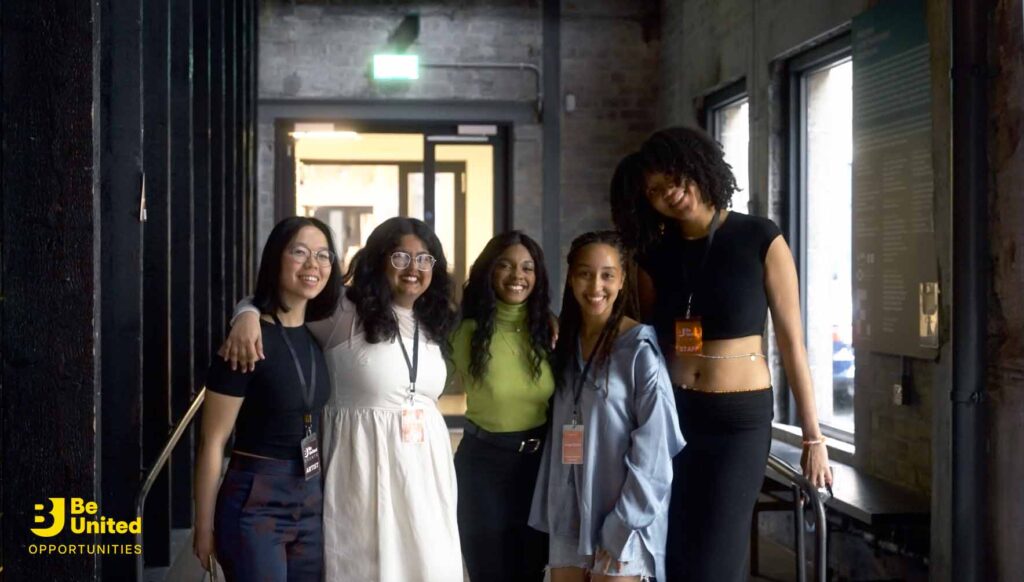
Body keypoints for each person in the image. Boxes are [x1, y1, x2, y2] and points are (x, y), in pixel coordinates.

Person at [611, 127, 834, 582]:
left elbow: (793, 342)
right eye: (654, 190)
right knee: (672, 549)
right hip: (673, 415)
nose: (669, 193)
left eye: (675, 177)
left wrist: (814, 437)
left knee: (717, 558)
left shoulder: (759, 237)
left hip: (738, 422)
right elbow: (646, 341)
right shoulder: (655, 255)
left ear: (699, 168)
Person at [222, 217, 463, 582]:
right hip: (363, 473)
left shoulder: (432, 320)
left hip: (425, 478)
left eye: (425, 259)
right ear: (379, 259)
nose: (413, 269)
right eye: (400, 257)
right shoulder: (345, 312)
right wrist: (247, 313)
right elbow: (285, 305)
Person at [529, 231, 685, 582]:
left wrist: (621, 525)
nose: (595, 285)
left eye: (607, 275)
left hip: (624, 515)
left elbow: (656, 454)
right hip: (569, 513)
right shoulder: (564, 343)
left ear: (622, 280)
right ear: (571, 278)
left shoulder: (640, 352)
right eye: (585, 273)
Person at [193, 216, 340, 581]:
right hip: (256, 497)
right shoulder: (244, 344)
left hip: (310, 495)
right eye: (300, 252)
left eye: (323, 255)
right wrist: (203, 527)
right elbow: (212, 442)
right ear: (276, 258)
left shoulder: (319, 334)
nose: (313, 265)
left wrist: (247, 310)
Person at [449, 231, 555, 582]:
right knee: (489, 573)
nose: (517, 276)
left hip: (540, 468)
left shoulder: (551, 332)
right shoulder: (462, 332)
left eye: (527, 267)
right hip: (482, 467)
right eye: (505, 266)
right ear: (488, 272)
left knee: (532, 571)